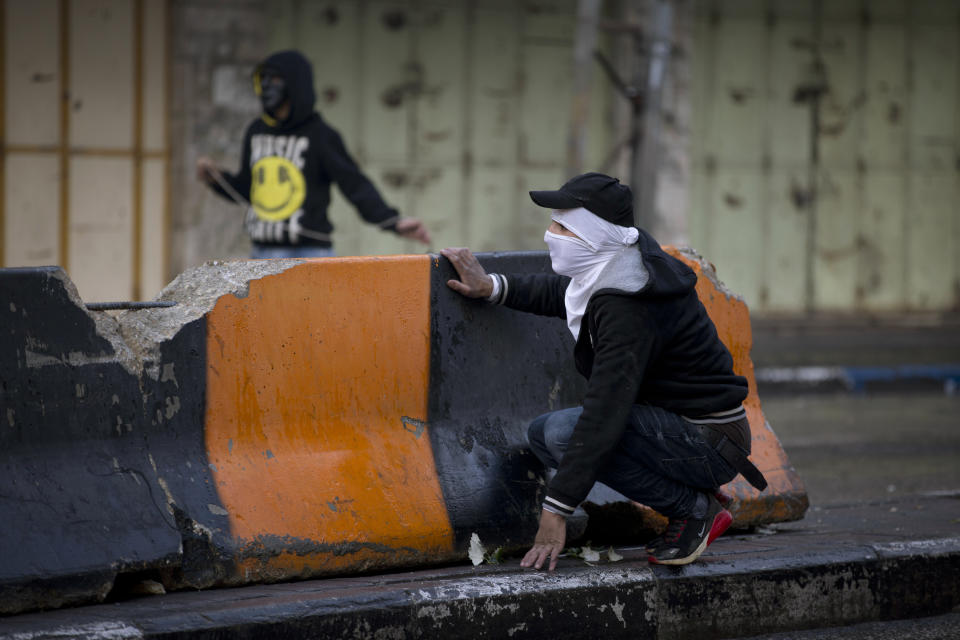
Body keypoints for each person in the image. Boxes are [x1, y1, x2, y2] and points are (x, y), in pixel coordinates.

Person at [440, 172, 766, 569]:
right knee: (544, 433)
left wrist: (556, 509)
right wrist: (492, 286)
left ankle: (694, 508)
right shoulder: (620, 259)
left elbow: (604, 414)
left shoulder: (628, 302)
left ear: (594, 234)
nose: (550, 234)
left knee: (563, 433)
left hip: (708, 439)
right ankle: (695, 495)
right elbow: (568, 294)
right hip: (685, 428)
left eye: (563, 226)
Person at [196, 50, 430, 258]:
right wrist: (216, 179)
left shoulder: (320, 135)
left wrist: (393, 222)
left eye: (275, 78)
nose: (266, 85)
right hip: (261, 253)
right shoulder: (255, 131)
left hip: (309, 253)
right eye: (263, 78)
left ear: (295, 83)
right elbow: (251, 192)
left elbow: (354, 185)